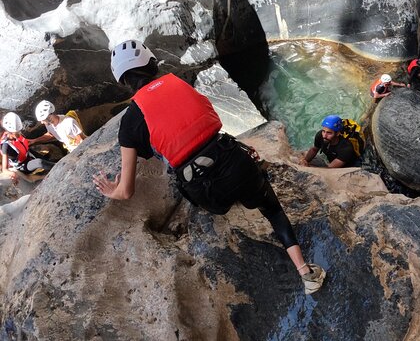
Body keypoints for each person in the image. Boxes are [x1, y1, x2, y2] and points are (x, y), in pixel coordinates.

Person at [92, 40, 325, 295]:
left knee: (217, 195)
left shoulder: (130, 122)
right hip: (236, 165)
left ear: (122, 79)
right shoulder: (177, 82)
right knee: (272, 210)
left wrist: (111, 190)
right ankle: (306, 273)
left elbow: (126, 191)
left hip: (207, 193)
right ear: (150, 63)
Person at [1, 112, 54, 185]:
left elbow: (23, 143)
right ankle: (58, 166)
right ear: (9, 132)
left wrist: (35, 140)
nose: (19, 133)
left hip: (28, 155)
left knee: (45, 160)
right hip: (22, 166)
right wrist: (11, 173)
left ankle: (50, 164)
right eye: (16, 132)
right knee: (39, 162)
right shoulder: (6, 146)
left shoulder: (16, 135)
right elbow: (4, 169)